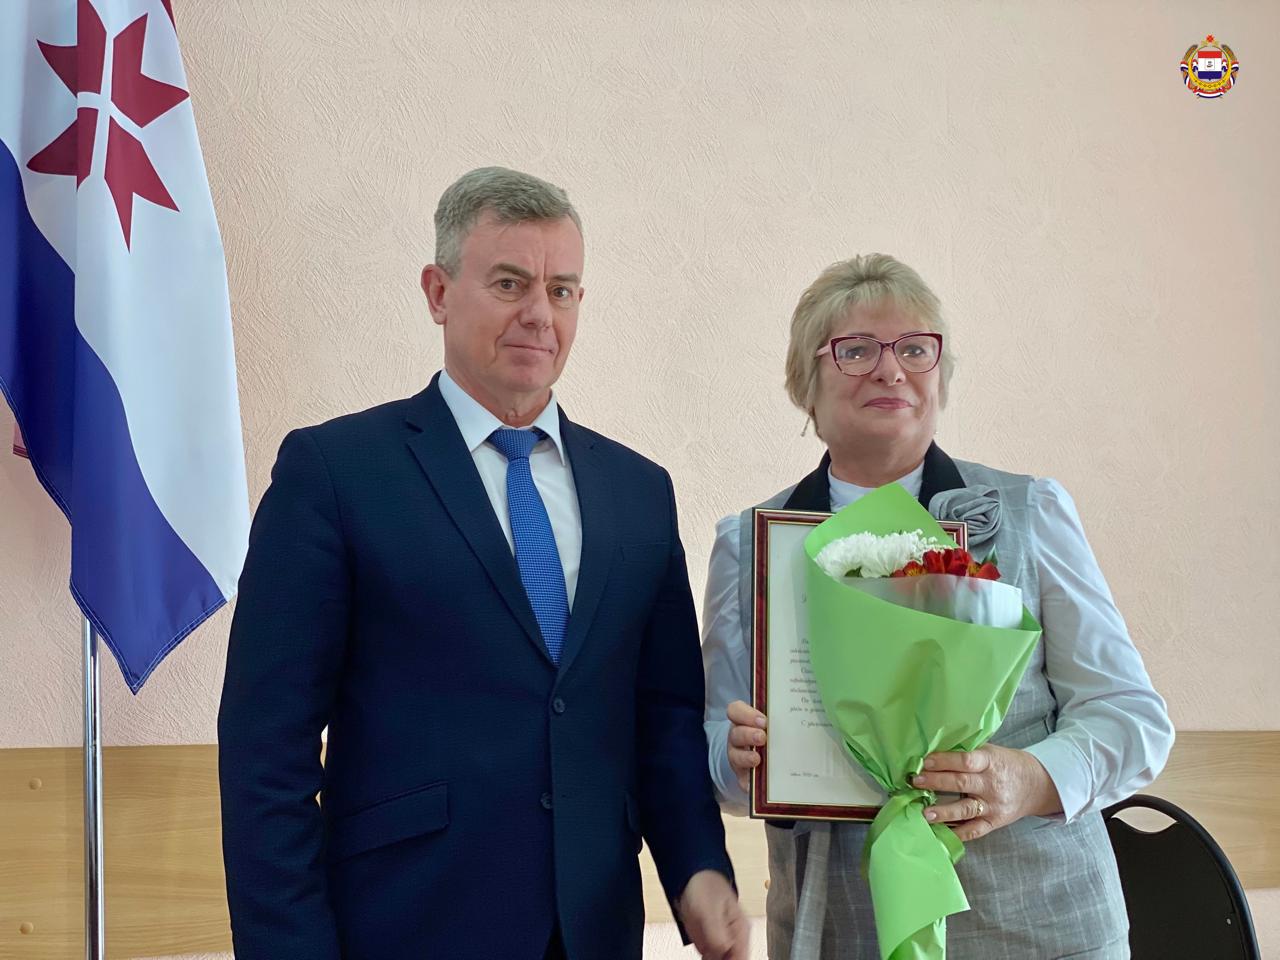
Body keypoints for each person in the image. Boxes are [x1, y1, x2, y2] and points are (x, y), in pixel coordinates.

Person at [219, 166, 747, 960]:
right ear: (438, 292)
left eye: (562, 291)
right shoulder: (335, 473)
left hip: (593, 931)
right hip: (405, 930)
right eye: (509, 283)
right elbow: (267, 747)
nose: (539, 314)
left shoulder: (639, 492)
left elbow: (663, 718)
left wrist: (698, 868)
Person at [702, 253, 1174, 958]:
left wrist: (1030, 780)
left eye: (914, 349)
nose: (890, 370)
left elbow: (1133, 719)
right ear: (807, 379)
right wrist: (734, 760)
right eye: (855, 350)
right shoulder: (749, 546)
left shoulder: (1032, 511)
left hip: (1039, 927)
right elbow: (714, 739)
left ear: (940, 374)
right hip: (841, 930)